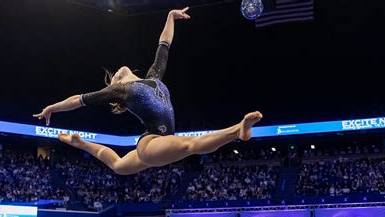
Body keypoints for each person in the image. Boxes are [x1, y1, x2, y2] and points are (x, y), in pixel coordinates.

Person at [33, 7, 263, 177]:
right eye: (114, 77)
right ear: (115, 83)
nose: (118, 72)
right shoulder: (121, 91)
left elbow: (164, 45)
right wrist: (52, 108)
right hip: (154, 142)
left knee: (120, 166)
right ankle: (238, 131)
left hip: (156, 145)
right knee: (191, 145)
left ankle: (80, 143)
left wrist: (170, 16)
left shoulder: (153, 77)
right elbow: (78, 100)